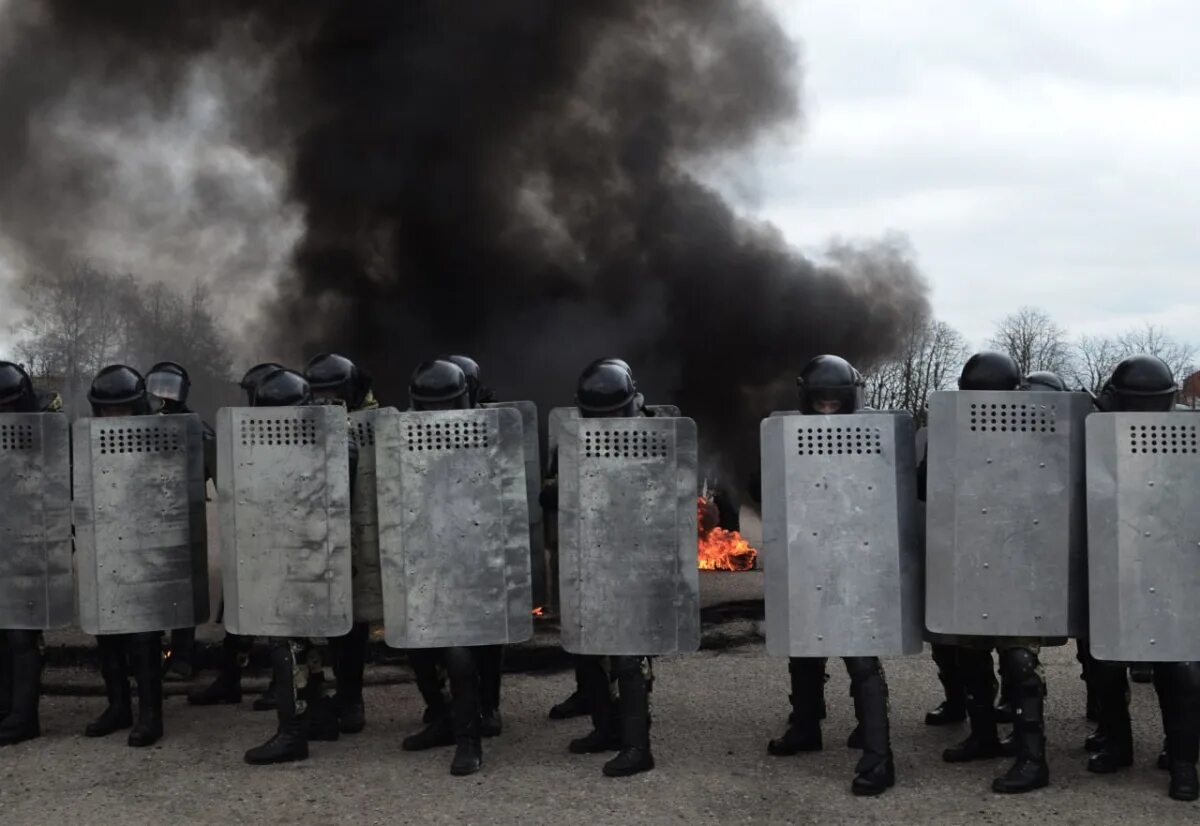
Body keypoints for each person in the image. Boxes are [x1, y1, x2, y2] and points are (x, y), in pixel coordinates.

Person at [764, 355, 895, 795]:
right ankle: (806, 727)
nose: (825, 412)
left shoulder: (878, 433)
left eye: (832, 404)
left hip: (858, 554)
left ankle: (878, 754)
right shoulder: (788, 434)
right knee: (804, 648)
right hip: (810, 551)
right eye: (818, 404)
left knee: (860, 655)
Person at [1085, 354, 1199, 802]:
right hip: (1113, 560)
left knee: (1181, 668)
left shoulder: (1189, 437)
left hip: (1175, 564)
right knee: (1106, 663)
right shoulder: (1097, 438)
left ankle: (1183, 758)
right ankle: (1117, 743)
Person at [938, 351, 1049, 793]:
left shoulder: (1039, 432)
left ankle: (1032, 759)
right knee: (970, 652)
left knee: (1020, 662)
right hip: (972, 557)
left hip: (1021, 561)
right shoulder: (954, 434)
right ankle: (983, 736)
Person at [243, 368, 348, 765]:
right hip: (317, 553)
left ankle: (292, 733)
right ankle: (318, 717)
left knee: (284, 641)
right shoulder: (330, 439)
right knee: (303, 641)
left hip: (298, 553)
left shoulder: (309, 445)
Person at [397, 359, 496, 775]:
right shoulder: (403, 433)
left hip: (469, 552)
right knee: (416, 643)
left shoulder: (484, 432)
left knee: (459, 652)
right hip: (423, 548)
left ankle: (468, 741)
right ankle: (440, 716)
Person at [189, 362, 284, 711]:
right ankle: (229, 680)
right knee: (238, 614)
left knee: (278, 616)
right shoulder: (243, 429)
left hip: (277, 537)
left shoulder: (290, 430)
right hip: (247, 532)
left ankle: (281, 683)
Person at [82, 365, 166, 747]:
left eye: (121, 410)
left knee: (144, 633)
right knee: (106, 630)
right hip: (104, 542)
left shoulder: (159, 437)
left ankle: (151, 714)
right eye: (107, 411)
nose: (114, 418)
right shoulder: (87, 440)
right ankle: (118, 706)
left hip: (145, 545)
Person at [304, 353, 378, 735]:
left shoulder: (376, 423)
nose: (325, 402)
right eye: (318, 395)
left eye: (333, 394)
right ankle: (317, 701)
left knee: (353, 627)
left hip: (361, 536)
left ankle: (352, 701)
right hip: (318, 536)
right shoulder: (305, 423)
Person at [0, 362, 63, 746]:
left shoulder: (47, 422)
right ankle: (6, 709)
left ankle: (24, 717)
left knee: (22, 633)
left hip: (32, 537)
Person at [145, 360, 216, 683]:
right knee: (152, 588)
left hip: (184, 517)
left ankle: (183, 658)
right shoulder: (141, 425)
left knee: (184, 591)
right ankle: (150, 656)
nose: (163, 395)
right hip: (147, 517)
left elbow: (215, 467)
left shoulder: (194, 426)